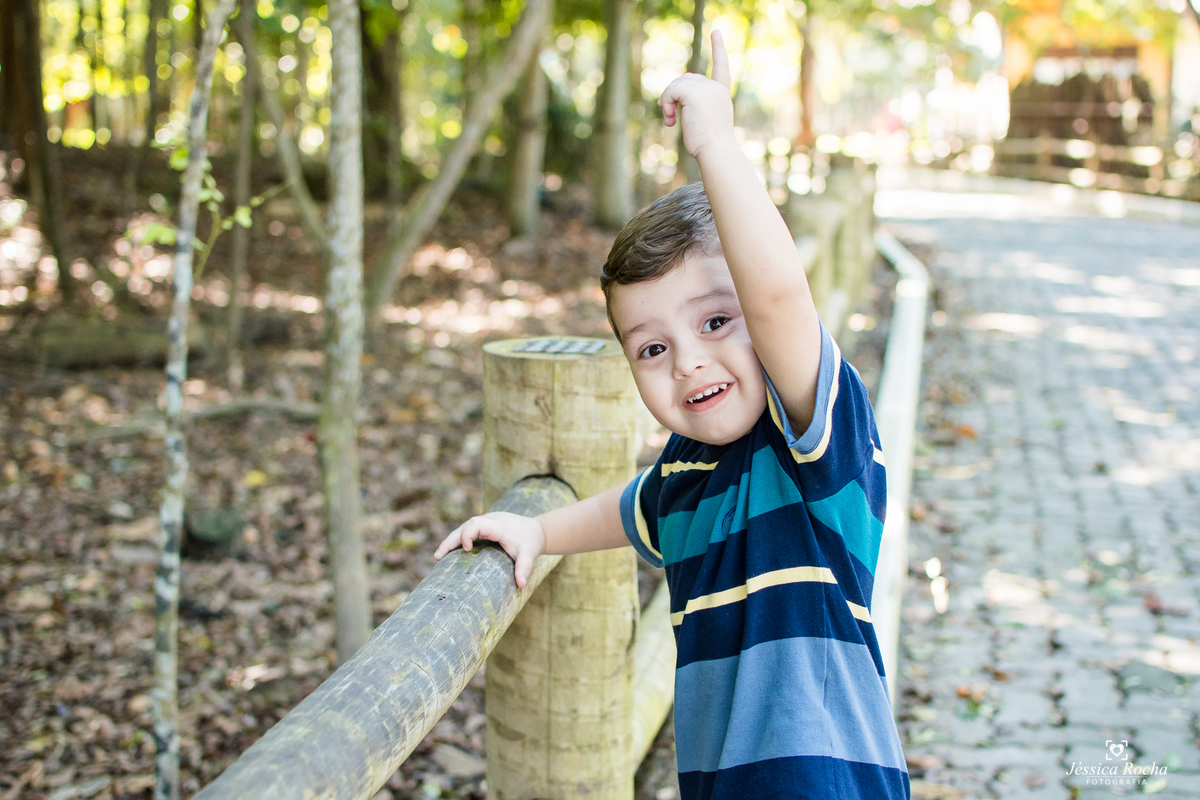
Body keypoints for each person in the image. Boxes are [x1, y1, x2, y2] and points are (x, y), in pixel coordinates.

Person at [435, 30, 910, 800]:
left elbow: (779, 296)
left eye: (717, 321)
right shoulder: (684, 473)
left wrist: (717, 146)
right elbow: (630, 510)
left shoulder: (815, 445)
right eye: (653, 349)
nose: (688, 361)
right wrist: (537, 532)